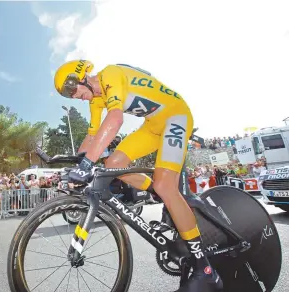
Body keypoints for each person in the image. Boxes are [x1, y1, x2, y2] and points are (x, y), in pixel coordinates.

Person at [54, 60, 222, 292]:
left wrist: (86, 164)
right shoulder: (95, 100)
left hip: (176, 117)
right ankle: (157, 191)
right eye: (69, 96)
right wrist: (76, 162)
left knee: (166, 185)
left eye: (73, 90)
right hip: (152, 126)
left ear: (82, 77)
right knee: (113, 163)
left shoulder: (110, 74)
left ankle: (205, 269)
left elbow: (115, 120)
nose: (75, 97)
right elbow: (92, 137)